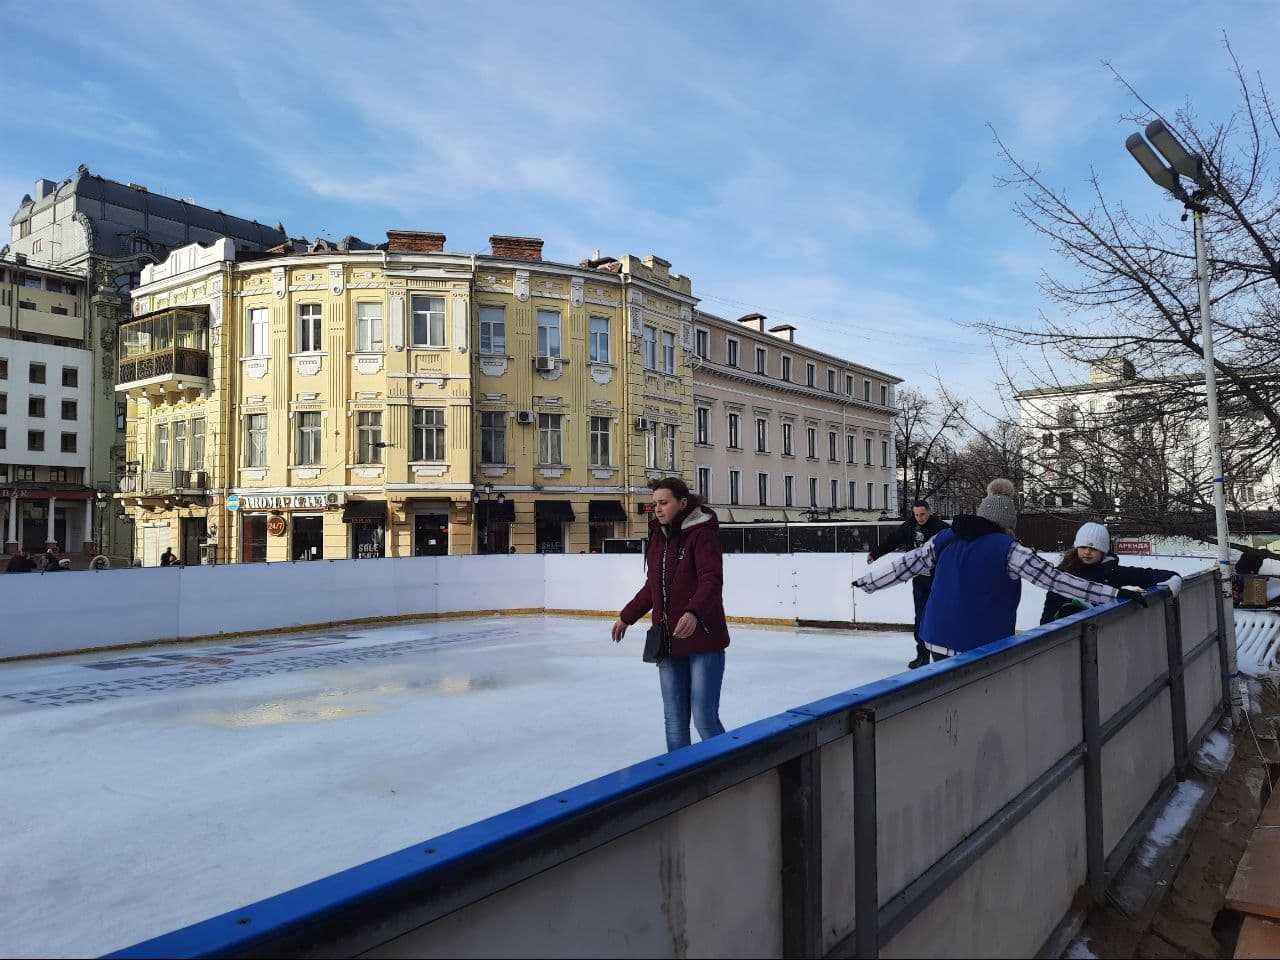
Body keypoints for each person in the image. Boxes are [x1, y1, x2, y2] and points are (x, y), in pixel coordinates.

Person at [853, 479, 1163, 661]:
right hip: (980, 645)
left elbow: (907, 564)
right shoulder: (1010, 551)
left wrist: (866, 582)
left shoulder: (944, 537)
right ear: (1008, 524)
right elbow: (1058, 580)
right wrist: (1114, 593)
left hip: (935, 635)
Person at [612, 477, 731, 752]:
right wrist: (626, 616)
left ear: (683, 503)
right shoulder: (658, 537)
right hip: (668, 641)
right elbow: (652, 587)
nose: (658, 509)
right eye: (655, 504)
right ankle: (682, 783)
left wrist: (693, 612)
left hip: (704, 641)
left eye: (663, 502)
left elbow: (711, 580)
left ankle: (728, 772)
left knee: (704, 718)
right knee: (674, 720)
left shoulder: (702, 534)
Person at [1040, 523, 1182, 624]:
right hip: (1066, 639)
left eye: (1093, 548)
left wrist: (1174, 578)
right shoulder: (1063, 573)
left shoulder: (1112, 571)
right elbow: (1049, 610)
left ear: (1103, 550)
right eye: (1083, 547)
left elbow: (1145, 575)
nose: (1087, 552)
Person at [867, 499, 949, 669]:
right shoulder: (910, 526)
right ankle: (922, 655)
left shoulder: (941, 528)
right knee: (920, 617)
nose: (919, 518)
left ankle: (943, 654)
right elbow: (893, 540)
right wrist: (875, 554)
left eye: (922, 514)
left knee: (939, 617)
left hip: (938, 581)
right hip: (919, 580)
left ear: (930, 512)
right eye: (916, 514)